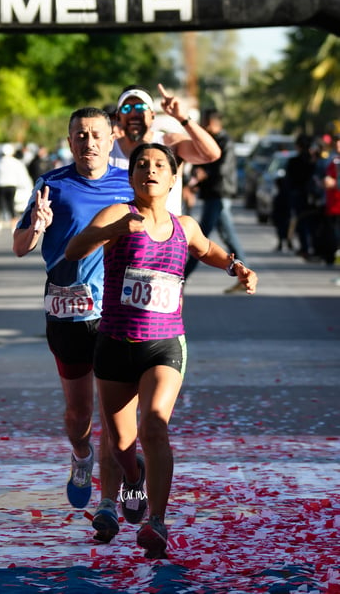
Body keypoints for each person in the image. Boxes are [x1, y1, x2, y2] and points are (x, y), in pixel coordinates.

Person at [65, 142, 258, 558]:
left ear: (173, 179)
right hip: (115, 344)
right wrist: (110, 233)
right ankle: (132, 477)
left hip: (165, 345)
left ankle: (156, 521)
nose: (149, 171)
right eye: (141, 165)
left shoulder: (184, 225)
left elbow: (206, 249)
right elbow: (74, 250)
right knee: (120, 443)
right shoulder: (119, 214)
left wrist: (234, 266)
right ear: (132, 176)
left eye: (159, 166)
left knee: (154, 425)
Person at [13, 107, 134, 513]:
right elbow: (20, 247)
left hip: (119, 313)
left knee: (120, 417)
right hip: (68, 312)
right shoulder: (51, 185)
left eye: (96, 134)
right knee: (79, 413)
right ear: (69, 142)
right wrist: (38, 227)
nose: (89, 142)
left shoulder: (130, 183)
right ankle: (82, 456)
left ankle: (121, 493)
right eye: (80, 135)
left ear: (111, 137)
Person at [109, 83, 221, 216]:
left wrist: (183, 118)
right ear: (118, 116)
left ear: (152, 115)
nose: (133, 113)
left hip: (166, 233)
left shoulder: (169, 143)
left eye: (141, 107)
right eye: (126, 108)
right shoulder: (107, 148)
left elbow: (211, 155)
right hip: (119, 232)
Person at [183, 108, 249, 293]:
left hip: (219, 196)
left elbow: (221, 169)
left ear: (212, 122)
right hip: (212, 194)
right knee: (228, 235)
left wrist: (205, 174)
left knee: (200, 240)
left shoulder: (225, 141)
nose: (203, 126)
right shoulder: (212, 140)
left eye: (204, 122)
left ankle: (182, 276)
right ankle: (244, 273)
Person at [286, 133, 316, 260]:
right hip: (312, 197)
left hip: (299, 196)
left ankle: (305, 248)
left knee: (301, 223)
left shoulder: (294, 161)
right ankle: (310, 248)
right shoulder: (313, 161)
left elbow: (288, 181)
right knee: (311, 223)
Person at [0, 143, 33, 223]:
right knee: (11, 205)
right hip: (12, 186)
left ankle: (1, 221)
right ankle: (13, 222)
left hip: (1, 186)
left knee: (1, 205)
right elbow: (23, 176)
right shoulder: (16, 162)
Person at [322, 133, 340, 265]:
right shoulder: (333, 160)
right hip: (332, 205)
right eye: (336, 142)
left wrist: (334, 183)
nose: (337, 145)